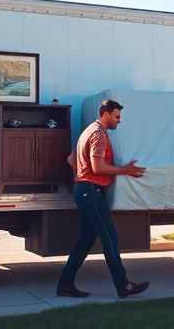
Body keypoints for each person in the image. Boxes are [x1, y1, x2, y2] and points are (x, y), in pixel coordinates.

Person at [56, 99, 150, 298]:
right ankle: (123, 285)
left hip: (84, 190)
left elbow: (71, 159)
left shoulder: (88, 131)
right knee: (110, 239)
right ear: (105, 114)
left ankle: (65, 284)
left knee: (86, 240)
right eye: (117, 116)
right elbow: (98, 167)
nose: (119, 121)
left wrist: (82, 174)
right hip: (91, 192)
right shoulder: (99, 134)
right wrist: (126, 170)